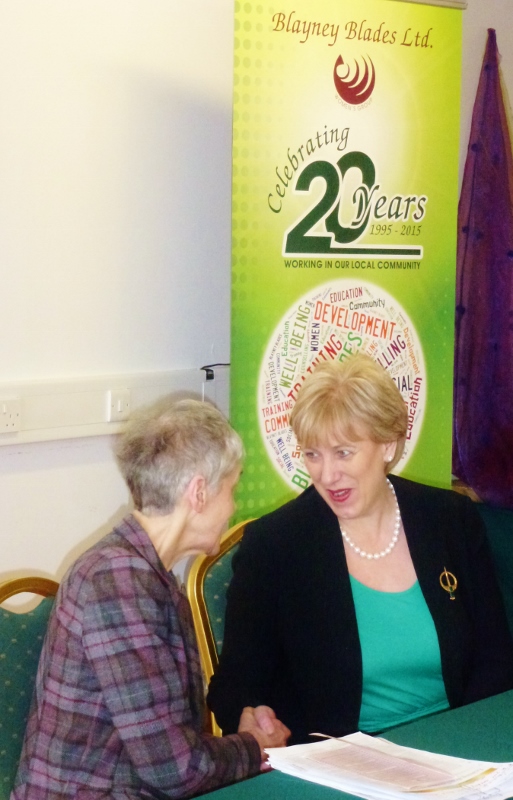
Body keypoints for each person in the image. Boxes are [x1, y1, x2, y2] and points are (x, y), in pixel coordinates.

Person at [208, 354, 513, 745]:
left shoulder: (450, 519)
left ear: (387, 445)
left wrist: (461, 744)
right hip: (340, 761)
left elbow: (496, 656)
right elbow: (234, 684)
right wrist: (248, 716)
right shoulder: (276, 545)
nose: (327, 474)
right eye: (312, 454)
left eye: (343, 452)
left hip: (455, 743)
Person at [12, 398, 290, 800]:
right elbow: (175, 770)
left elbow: (170, 747)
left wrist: (242, 737)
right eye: (232, 488)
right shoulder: (117, 582)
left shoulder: (138, 571)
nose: (233, 506)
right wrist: (252, 747)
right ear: (199, 493)